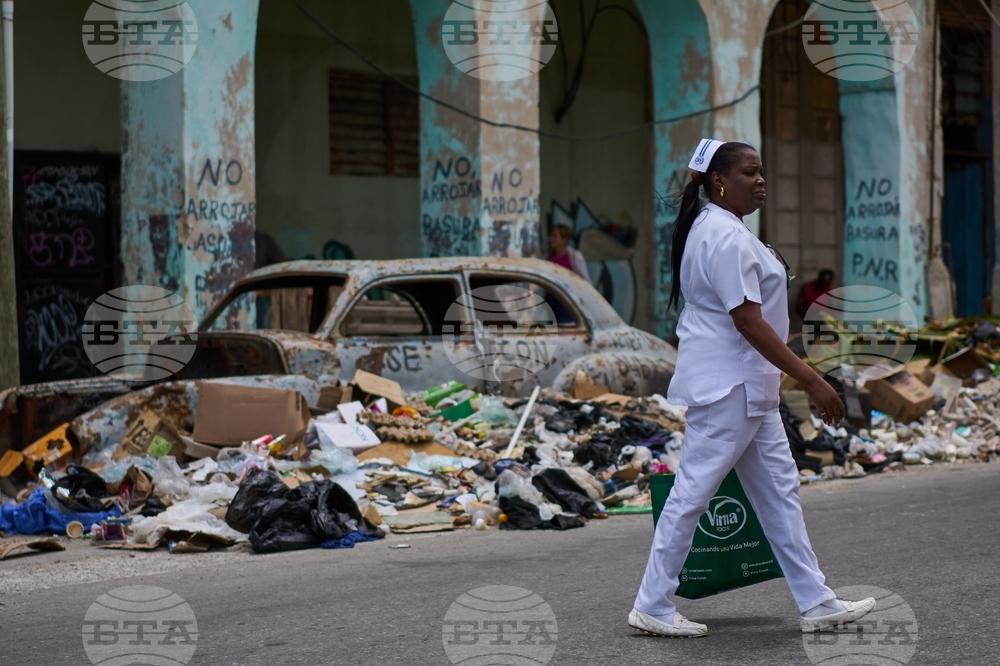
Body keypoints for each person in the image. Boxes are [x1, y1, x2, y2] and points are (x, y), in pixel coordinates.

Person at [628, 139, 875, 638]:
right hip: (730, 388)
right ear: (719, 181)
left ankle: (816, 601)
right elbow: (749, 323)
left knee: (779, 493)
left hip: (748, 388)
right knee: (692, 494)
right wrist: (811, 380)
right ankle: (652, 604)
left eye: (761, 172)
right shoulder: (724, 235)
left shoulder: (720, 229)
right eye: (749, 173)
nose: (761, 180)